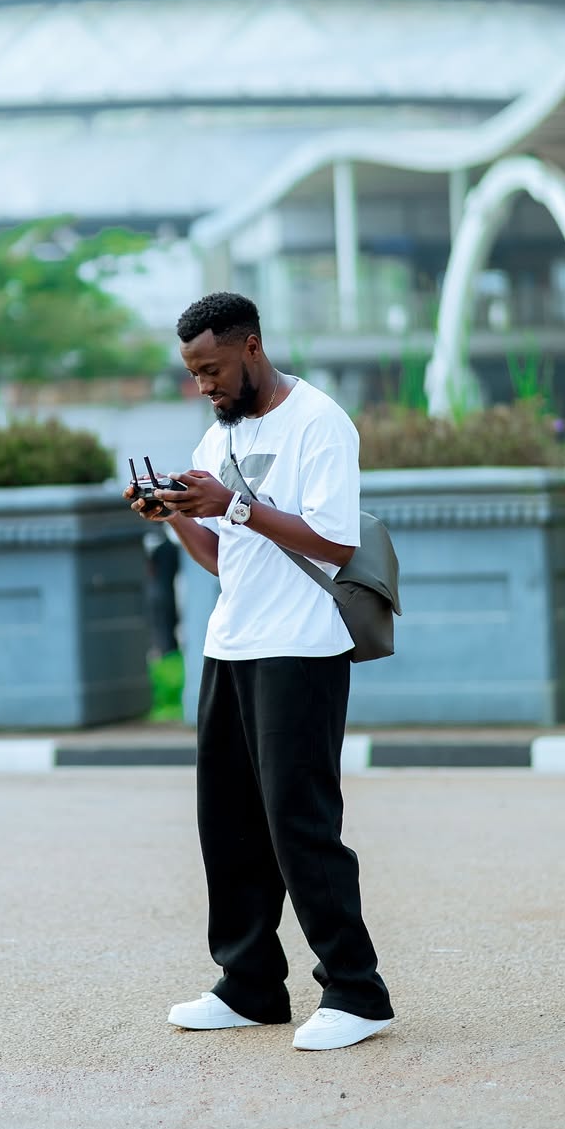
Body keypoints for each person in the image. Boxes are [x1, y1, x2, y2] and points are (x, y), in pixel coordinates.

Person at [126, 291, 394, 1051]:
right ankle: (248, 986)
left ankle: (356, 992)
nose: (204, 386)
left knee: (300, 824)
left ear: (251, 347)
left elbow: (337, 545)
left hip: (302, 649)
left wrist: (235, 505)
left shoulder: (319, 423)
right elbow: (222, 559)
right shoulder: (220, 438)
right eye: (192, 374)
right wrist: (174, 514)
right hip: (233, 644)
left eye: (211, 369)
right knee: (230, 826)